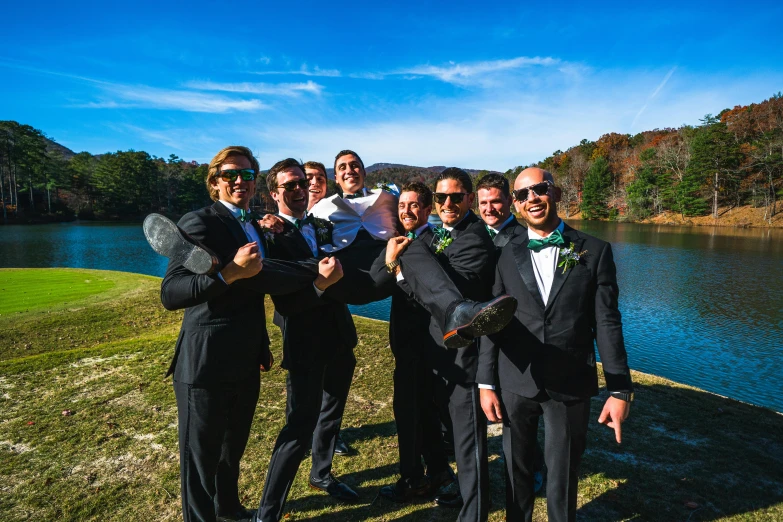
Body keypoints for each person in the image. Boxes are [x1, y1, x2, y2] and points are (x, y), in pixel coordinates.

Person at [150, 146, 343, 522]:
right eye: (230, 175)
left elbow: (266, 280)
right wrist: (227, 275)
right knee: (200, 462)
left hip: (245, 358)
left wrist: (264, 339)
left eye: (248, 175)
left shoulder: (253, 223)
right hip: (205, 362)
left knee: (230, 450)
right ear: (215, 181)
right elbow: (171, 293)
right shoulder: (199, 221)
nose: (240, 181)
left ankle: (230, 511)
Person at [478, 167, 634, 522]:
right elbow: (493, 322)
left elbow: (607, 323)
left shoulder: (595, 251)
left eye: (540, 189)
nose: (532, 198)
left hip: (570, 381)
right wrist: (486, 384)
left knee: (563, 475)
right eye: (522, 194)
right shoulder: (504, 254)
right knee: (516, 472)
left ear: (556, 194)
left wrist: (620, 389)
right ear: (516, 205)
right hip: (516, 380)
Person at [382, 168, 505, 521]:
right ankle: (448, 485)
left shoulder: (475, 237)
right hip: (434, 353)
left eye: (455, 197)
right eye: (441, 198)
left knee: (467, 441)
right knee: (442, 430)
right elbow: (423, 291)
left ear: (470, 199)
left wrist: (401, 264)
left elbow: (461, 281)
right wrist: (400, 270)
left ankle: (476, 510)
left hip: (463, 352)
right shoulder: (439, 237)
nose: (448, 203)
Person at [255, 159, 359, 522]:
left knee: (331, 413)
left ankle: (322, 473)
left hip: (340, 333)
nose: (299, 190)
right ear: (274, 194)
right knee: (299, 425)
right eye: (289, 186)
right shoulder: (266, 233)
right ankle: (267, 512)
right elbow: (282, 294)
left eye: (302, 183)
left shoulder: (322, 225)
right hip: (303, 337)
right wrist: (318, 283)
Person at [369, 182, 456, 503]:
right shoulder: (393, 242)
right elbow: (375, 283)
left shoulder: (438, 243)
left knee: (425, 413)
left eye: (415, 205)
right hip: (405, 347)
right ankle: (426, 474)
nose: (407, 211)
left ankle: (423, 476)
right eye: (402, 206)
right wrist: (390, 259)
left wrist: (395, 265)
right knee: (411, 412)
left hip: (435, 344)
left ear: (428, 209)